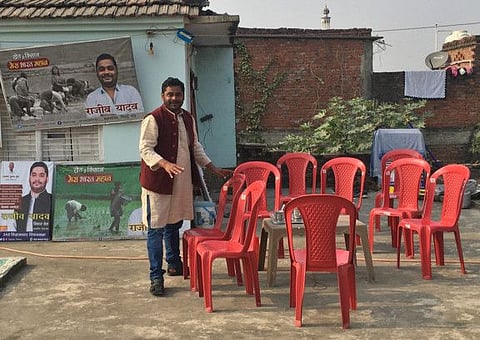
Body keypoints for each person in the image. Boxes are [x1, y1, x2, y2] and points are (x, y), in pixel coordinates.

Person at [139, 77, 232, 296]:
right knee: (155, 230)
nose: (174, 98)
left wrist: (213, 168)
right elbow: (145, 149)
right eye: (170, 94)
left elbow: (195, 147)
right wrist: (164, 163)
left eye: (177, 95)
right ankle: (156, 276)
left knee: (174, 225)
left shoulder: (188, 118)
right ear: (163, 96)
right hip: (158, 184)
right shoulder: (153, 119)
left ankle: (174, 263)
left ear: (182, 96)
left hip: (180, 182)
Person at [15, 161, 52, 233]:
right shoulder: (20, 202)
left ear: (47, 179)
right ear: (29, 178)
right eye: (34, 175)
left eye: (41, 175)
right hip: (21, 241)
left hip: (45, 242)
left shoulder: (52, 200)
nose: (37, 179)